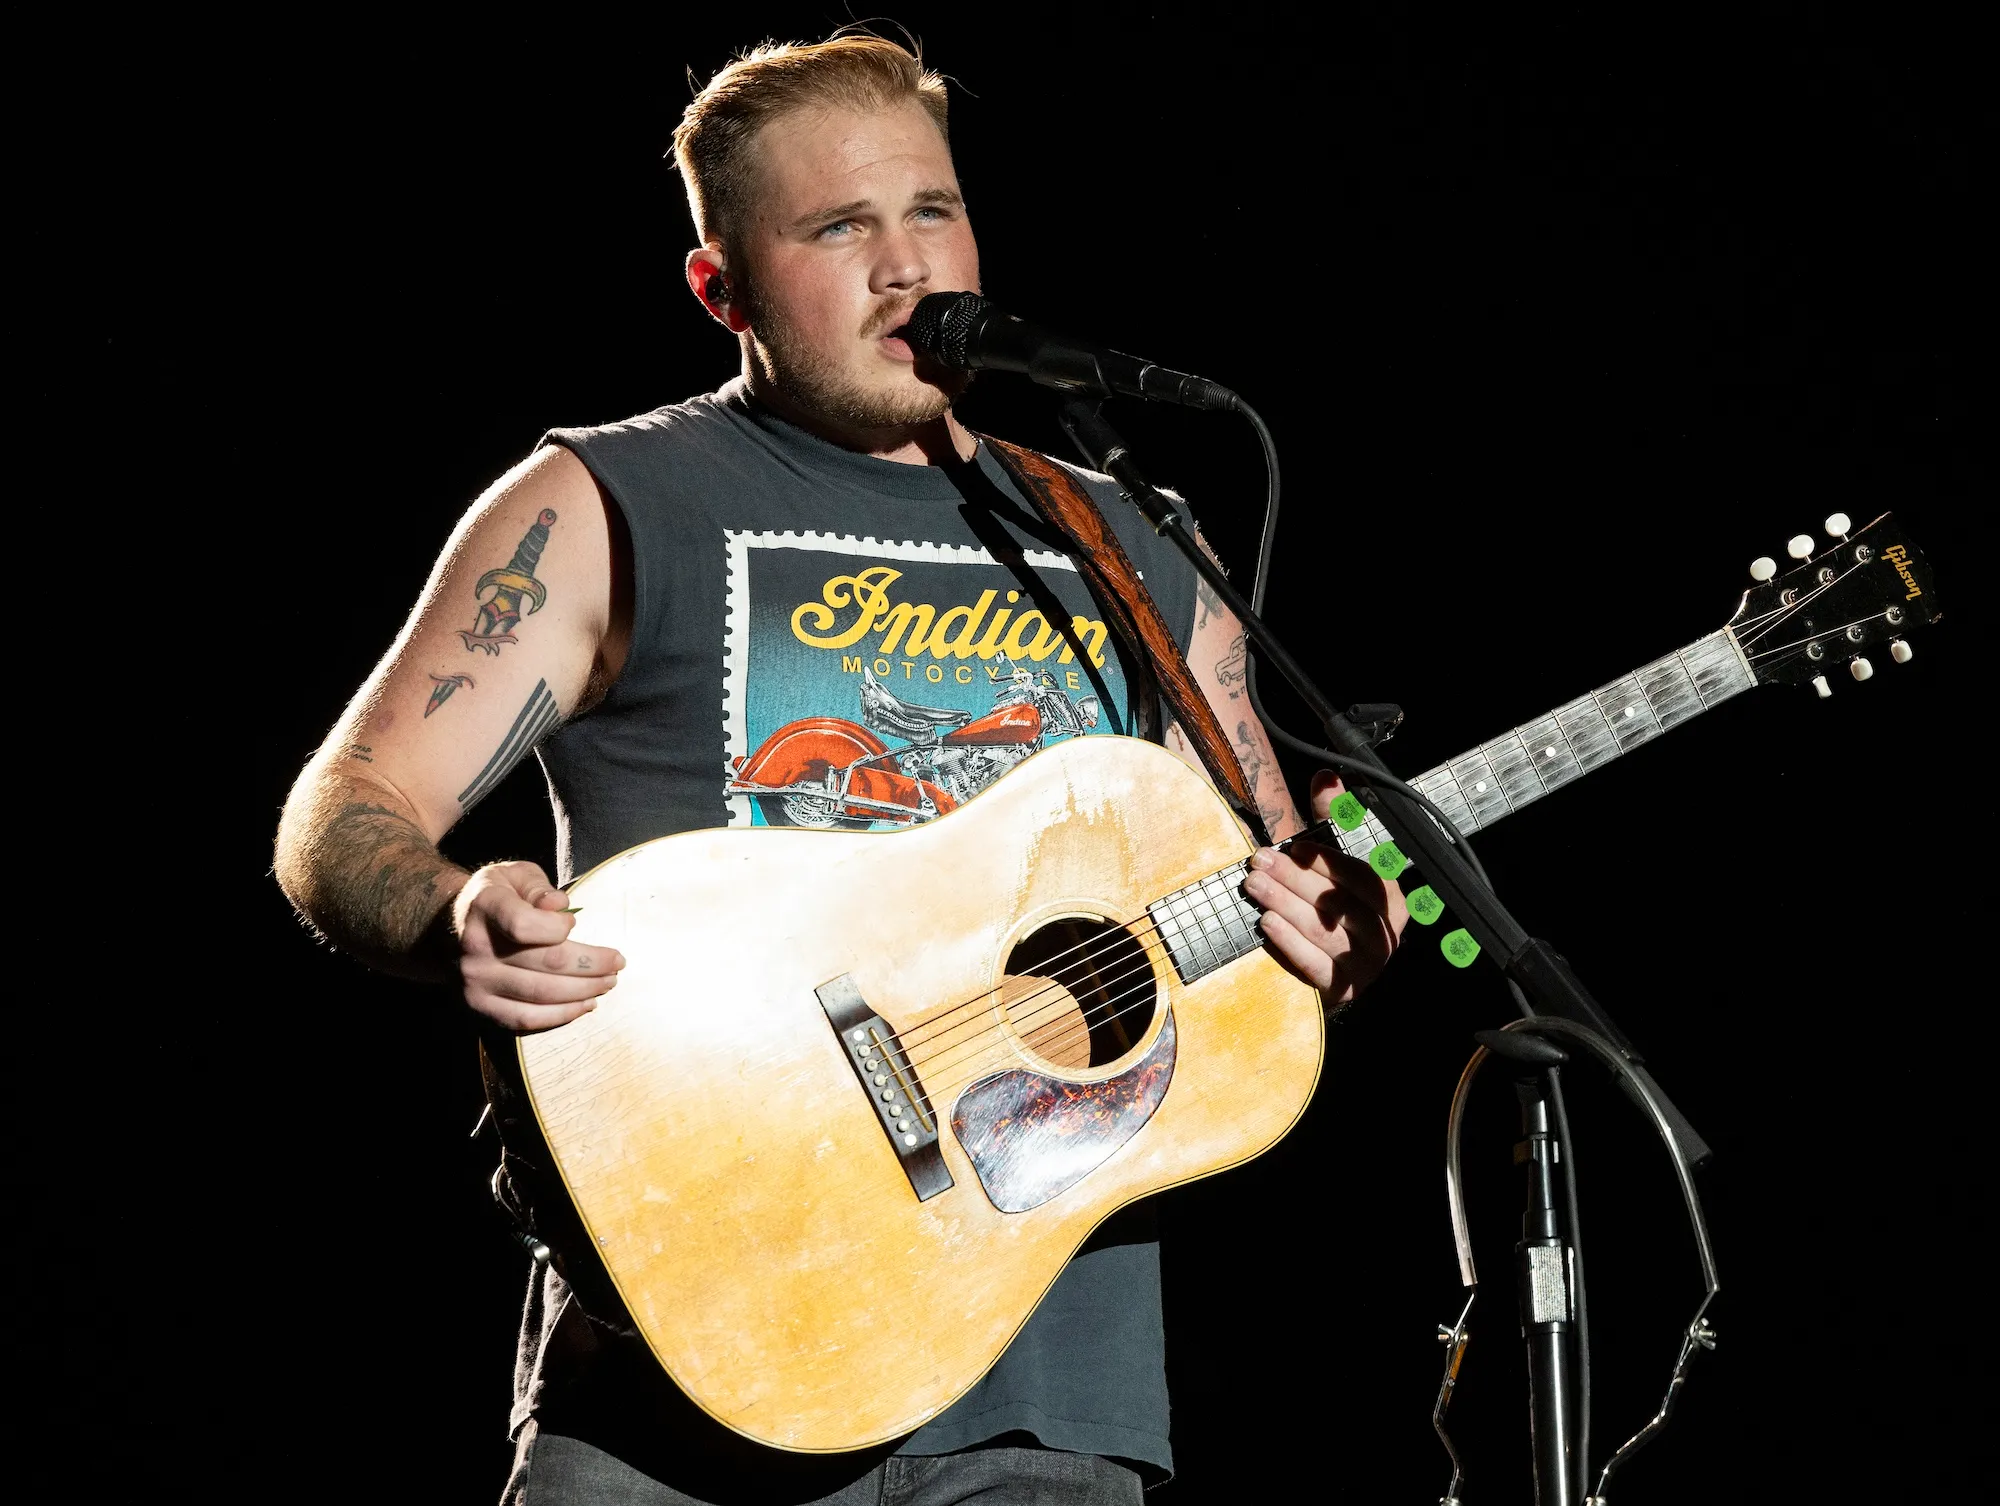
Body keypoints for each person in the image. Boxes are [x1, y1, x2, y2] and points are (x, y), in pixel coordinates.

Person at [274, 32, 1405, 1506]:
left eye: (932, 211)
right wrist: (450, 909)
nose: (904, 269)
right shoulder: (606, 501)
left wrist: (1357, 914)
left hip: (1045, 1401)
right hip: (684, 1374)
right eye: (838, 227)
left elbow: (1284, 880)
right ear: (720, 287)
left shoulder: (1129, 535)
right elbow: (343, 812)